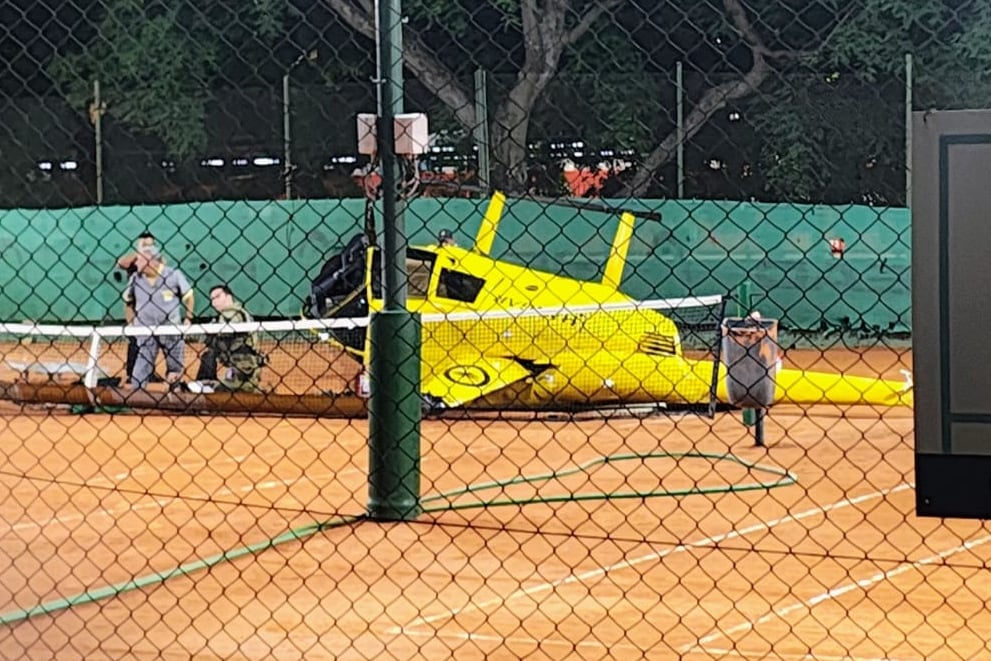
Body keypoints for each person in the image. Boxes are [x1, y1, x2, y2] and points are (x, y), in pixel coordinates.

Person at [123, 244, 195, 389]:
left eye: (139, 260)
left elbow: (189, 296)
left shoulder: (173, 274)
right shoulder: (135, 278)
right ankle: (137, 397)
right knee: (140, 370)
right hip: (146, 331)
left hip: (171, 330)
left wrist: (189, 317)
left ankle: (174, 396)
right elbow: (128, 301)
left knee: (175, 368)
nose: (135, 263)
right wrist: (131, 323)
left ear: (150, 260)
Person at [190, 285, 265, 393]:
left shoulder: (232, 314)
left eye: (217, 297)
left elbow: (225, 330)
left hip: (244, 368)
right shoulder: (235, 313)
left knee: (219, 391)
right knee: (209, 354)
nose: (214, 302)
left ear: (228, 296)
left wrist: (208, 334)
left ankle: (204, 387)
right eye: (212, 299)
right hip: (243, 366)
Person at [117, 231, 160, 385]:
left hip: (153, 305)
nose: (149, 247)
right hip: (135, 306)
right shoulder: (134, 259)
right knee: (135, 338)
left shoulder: (156, 260)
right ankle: (131, 373)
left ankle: (148, 371)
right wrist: (139, 252)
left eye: (151, 244)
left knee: (152, 340)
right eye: (145, 244)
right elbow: (121, 263)